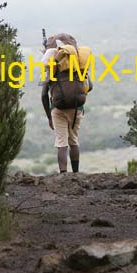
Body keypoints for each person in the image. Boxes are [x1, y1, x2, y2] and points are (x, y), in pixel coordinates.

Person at [41, 33, 92, 173]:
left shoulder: (52, 68)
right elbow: (90, 86)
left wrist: (49, 117)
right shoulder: (79, 66)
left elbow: (44, 95)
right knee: (73, 141)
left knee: (61, 143)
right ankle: (76, 174)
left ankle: (63, 175)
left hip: (57, 109)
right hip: (77, 108)